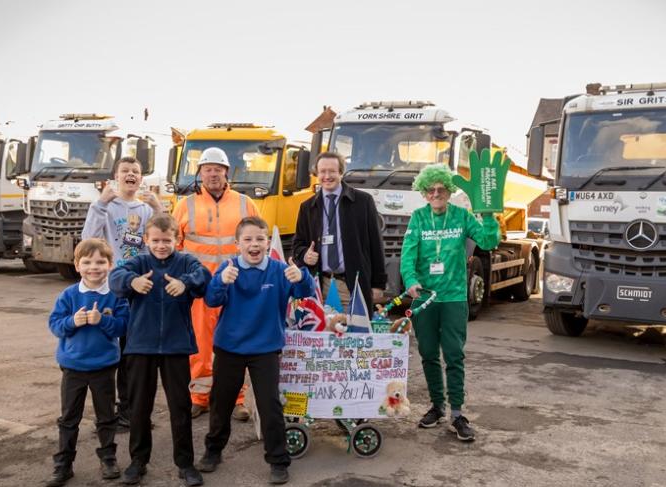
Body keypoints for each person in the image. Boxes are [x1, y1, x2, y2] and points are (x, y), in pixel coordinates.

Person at [197, 216, 314, 485]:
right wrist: (221, 282)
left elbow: (303, 292)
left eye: (259, 239)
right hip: (230, 347)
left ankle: (278, 460)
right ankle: (213, 451)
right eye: (247, 239)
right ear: (237, 244)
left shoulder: (278, 269)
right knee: (220, 403)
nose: (254, 244)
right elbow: (212, 300)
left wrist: (302, 275)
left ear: (266, 242)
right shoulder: (227, 268)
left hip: (265, 348)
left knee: (269, 404)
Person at [400, 164, 501, 442]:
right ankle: (437, 406)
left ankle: (457, 414)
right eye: (430, 190)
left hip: (454, 297)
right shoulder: (418, 218)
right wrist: (410, 280)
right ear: (424, 192)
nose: (436, 193)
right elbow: (408, 255)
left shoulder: (462, 216)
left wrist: (490, 216)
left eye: (441, 189)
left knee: (454, 355)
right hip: (425, 298)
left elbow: (489, 240)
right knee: (429, 353)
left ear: (449, 190)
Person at [109, 214, 211, 486]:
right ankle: (138, 461)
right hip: (141, 346)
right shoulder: (139, 262)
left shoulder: (185, 262)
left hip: (176, 347)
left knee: (180, 406)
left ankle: (185, 463)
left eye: (167, 240)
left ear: (178, 239)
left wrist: (185, 283)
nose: (161, 245)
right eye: (155, 240)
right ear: (146, 240)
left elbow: (204, 275)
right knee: (139, 406)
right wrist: (132, 282)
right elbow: (115, 276)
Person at [173, 147, 259, 421]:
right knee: (200, 343)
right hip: (199, 287)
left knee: (236, 342)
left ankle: (237, 399)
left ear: (226, 173)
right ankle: (200, 397)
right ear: (199, 174)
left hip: (237, 286)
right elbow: (174, 245)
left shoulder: (245, 203)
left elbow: (259, 241)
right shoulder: (184, 205)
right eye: (207, 169)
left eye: (217, 169)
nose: (212, 174)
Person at [81, 155, 163, 430]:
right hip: (112, 290)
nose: (131, 174)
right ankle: (106, 414)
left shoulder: (147, 209)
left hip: (140, 291)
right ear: (116, 177)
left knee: (133, 354)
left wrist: (159, 207)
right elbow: (88, 239)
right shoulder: (107, 206)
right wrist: (101, 202)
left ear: (141, 178)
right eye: (125, 170)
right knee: (109, 352)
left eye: (135, 171)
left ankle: (129, 410)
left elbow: (166, 241)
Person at [46, 239, 129, 487]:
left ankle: (108, 458)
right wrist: (73, 321)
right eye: (87, 262)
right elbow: (55, 325)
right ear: (77, 265)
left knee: (106, 417)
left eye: (100, 262)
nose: (94, 267)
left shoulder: (116, 295)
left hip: (104, 367)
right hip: (73, 367)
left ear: (110, 264)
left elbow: (124, 326)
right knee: (69, 417)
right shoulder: (69, 295)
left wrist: (102, 321)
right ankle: (64, 464)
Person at [291, 151, 386, 312]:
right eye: (322, 172)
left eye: (332, 171)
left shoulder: (363, 202)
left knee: (354, 335)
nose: (327, 176)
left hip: (351, 285)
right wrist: (304, 254)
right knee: (320, 335)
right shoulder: (307, 207)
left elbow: (376, 245)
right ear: (317, 174)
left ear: (341, 172)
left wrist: (377, 284)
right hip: (320, 286)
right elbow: (297, 245)